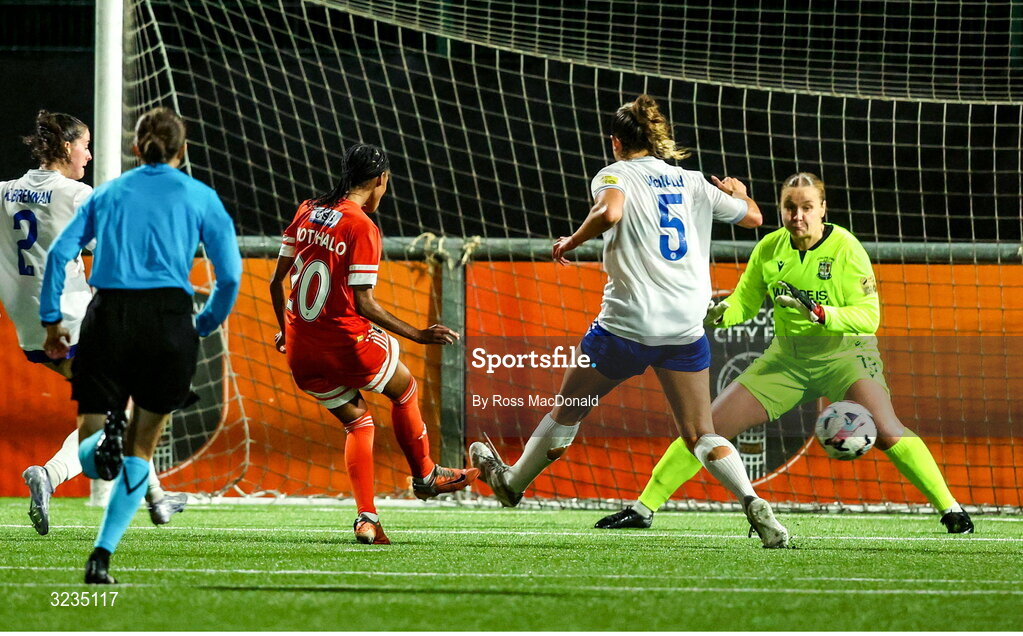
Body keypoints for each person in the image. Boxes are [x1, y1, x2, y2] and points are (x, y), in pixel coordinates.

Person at [469, 95, 790, 548]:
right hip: (684, 327)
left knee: (570, 408)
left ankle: (513, 483)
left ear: (616, 141)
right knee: (701, 432)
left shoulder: (614, 174)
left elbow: (610, 211)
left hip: (626, 327)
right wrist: (738, 194)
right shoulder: (691, 180)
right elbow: (753, 216)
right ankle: (752, 500)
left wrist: (572, 241)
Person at [595, 172, 974, 534]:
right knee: (705, 429)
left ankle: (951, 509)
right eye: (790, 207)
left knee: (888, 431)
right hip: (787, 362)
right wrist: (715, 315)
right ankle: (642, 509)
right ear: (781, 209)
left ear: (823, 208)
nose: (798, 216)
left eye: (807, 207)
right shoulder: (770, 248)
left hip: (845, 357)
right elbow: (743, 303)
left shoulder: (845, 249)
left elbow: (869, 316)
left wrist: (823, 313)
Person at [40, 106, 242, 584]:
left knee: (92, 450)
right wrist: (204, 323)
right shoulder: (201, 196)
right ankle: (101, 556)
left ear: (136, 148)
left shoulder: (107, 194)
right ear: (182, 149)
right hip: (169, 323)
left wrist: (52, 323)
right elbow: (229, 275)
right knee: (140, 453)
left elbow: (59, 255)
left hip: (108, 317)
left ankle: (99, 447)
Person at [269, 142, 478, 545]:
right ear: (380, 180)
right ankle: (426, 476)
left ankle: (367, 518)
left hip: (301, 351)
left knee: (358, 422)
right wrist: (419, 334)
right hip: (344, 344)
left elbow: (276, 281)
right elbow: (364, 302)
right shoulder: (362, 226)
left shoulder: (307, 210)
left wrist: (285, 329)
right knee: (404, 388)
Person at [1, 110, 185, 536]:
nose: (88, 154)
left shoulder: (5, 192)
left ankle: (156, 499)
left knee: (117, 405)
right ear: (67, 147)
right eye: (84, 145)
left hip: (29, 327)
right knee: (127, 405)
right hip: (73, 318)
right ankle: (48, 475)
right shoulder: (78, 195)